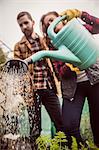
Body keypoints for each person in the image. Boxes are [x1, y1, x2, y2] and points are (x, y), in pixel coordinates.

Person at [40, 9, 99, 149]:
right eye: (47, 24)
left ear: (61, 19)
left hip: (95, 81)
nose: (51, 24)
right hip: (73, 88)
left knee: (98, 123)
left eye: (52, 20)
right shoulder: (53, 47)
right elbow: (60, 72)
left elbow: (97, 26)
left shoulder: (79, 30)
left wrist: (80, 14)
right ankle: (82, 147)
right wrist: (68, 63)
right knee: (69, 125)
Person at [14, 11, 64, 148]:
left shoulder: (44, 40)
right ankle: (36, 147)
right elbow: (18, 72)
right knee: (34, 127)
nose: (24, 26)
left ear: (33, 23)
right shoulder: (18, 46)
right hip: (31, 91)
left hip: (48, 87)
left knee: (60, 121)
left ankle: (64, 146)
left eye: (26, 23)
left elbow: (52, 62)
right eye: (20, 25)